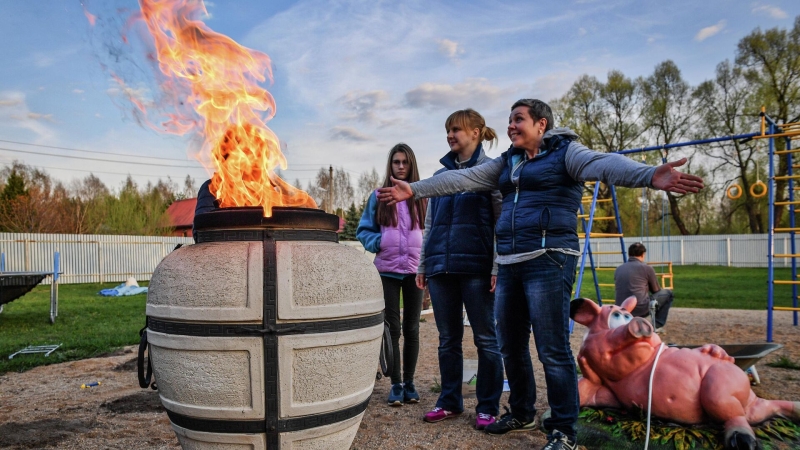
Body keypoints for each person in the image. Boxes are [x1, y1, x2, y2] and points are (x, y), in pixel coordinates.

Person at [377, 99, 703, 450]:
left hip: (549, 259)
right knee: (511, 345)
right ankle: (521, 412)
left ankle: (564, 430)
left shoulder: (566, 153)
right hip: (511, 260)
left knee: (551, 348)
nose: (511, 126)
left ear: (542, 124)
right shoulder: (507, 162)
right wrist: (415, 189)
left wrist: (649, 175)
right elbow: (463, 178)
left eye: (519, 120)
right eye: (510, 120)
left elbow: (605, 164)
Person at [417, 109, 504, 430]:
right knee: (447, 339)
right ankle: (449, 401)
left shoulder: (490, 174)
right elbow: (429, 224)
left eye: (456, 130)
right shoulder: (440, 177)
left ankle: (487, 406)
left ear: (476, 133)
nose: (450, 135)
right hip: (441, 268)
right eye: (448, 130)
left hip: (477, 269)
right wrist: (424, 264)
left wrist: (495, 265)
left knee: (486, 339)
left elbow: (500, 223)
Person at [357, 143, 427, 407]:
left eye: (405, 162)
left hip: (414, 271)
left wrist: (426, 261)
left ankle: (410, 383)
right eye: (396, 162)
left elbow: (430, 231)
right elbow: (363, 230)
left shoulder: (422, 196)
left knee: (412, 328)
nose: (400, 166)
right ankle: (395, 384)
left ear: (411, 165)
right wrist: (380, 242)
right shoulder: (379, 195)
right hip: (386, 270)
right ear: (391, 165)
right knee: (392, 328)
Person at [614, 242, 674, 331]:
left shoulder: (618, 269)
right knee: (668, 294)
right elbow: (656, 290)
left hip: (622, 309)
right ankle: (656, 324)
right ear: (643, 254)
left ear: (629, 254)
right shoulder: (647, 268)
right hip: (640, 308)